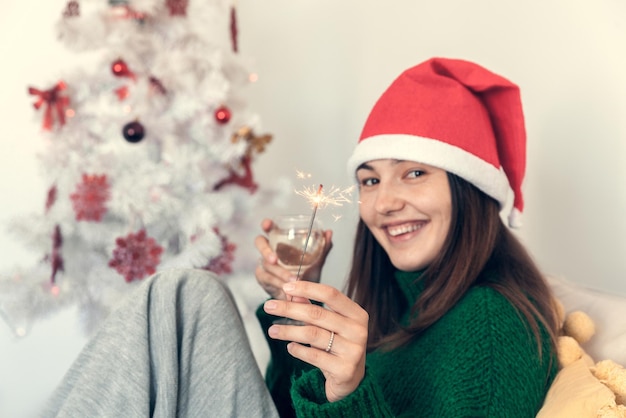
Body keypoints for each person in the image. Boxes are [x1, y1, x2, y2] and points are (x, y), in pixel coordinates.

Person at [43, 57, 559, 418]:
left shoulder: (493, 325)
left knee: (183, 295)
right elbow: (285, 410)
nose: (384, 202)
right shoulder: (397, 309)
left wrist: (349, 393)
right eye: (371, 180)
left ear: (470, 189)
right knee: (186, 296)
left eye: (415, 174)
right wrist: (295, 317)